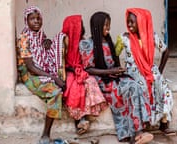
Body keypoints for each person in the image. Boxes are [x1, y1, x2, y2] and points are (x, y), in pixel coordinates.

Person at [79, 11, 153, 143]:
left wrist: (117, 70)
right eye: (105, 25)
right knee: (130, 88)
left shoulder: (108, 41)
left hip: (112, 77)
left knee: (135, 84)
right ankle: (137, 132)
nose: (108, 28)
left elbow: (113, 62)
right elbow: (89, 69)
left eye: (109, 25)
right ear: (97, 26)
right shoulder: (87, 44)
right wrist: (109, 71)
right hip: (102, 81)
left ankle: (138, 131)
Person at [115, 8, 176, 136]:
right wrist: (118, 70)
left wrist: (159, 71)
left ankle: (164, 123)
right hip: (133, 72)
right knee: (142, 87)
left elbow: (165, 51)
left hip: (149, 69)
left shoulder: (151, 36)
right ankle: (146, 122)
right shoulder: (123, 38)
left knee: (164, 88)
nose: (129, 25)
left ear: (142, 22)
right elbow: (115, 54)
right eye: (128, 22)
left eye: (132, 22)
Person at [16, 6, 65, 144]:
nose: (36, 21)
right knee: (55, 92)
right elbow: (30, 67)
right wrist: (53, 78)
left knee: (63, 80)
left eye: (38, 18)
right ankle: (45, 135)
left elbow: (42, 49)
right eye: (32, 19)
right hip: (29, 74)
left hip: (41, 69)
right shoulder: (24, 38)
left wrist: (48, 42)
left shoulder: (40, 34)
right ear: (26, 21)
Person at [54, 15, 108, 135]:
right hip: (67, 71)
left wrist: (80, 70)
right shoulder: (63, 40)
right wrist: (72, 70)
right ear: (73, 27)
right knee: (75, 87)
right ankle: (79, 120)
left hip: (81, 69)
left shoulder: (83, 41)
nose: (83, 28)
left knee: (90, 82)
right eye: (80, 25)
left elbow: (86, 61)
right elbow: (60, 62)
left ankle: (84, 117)